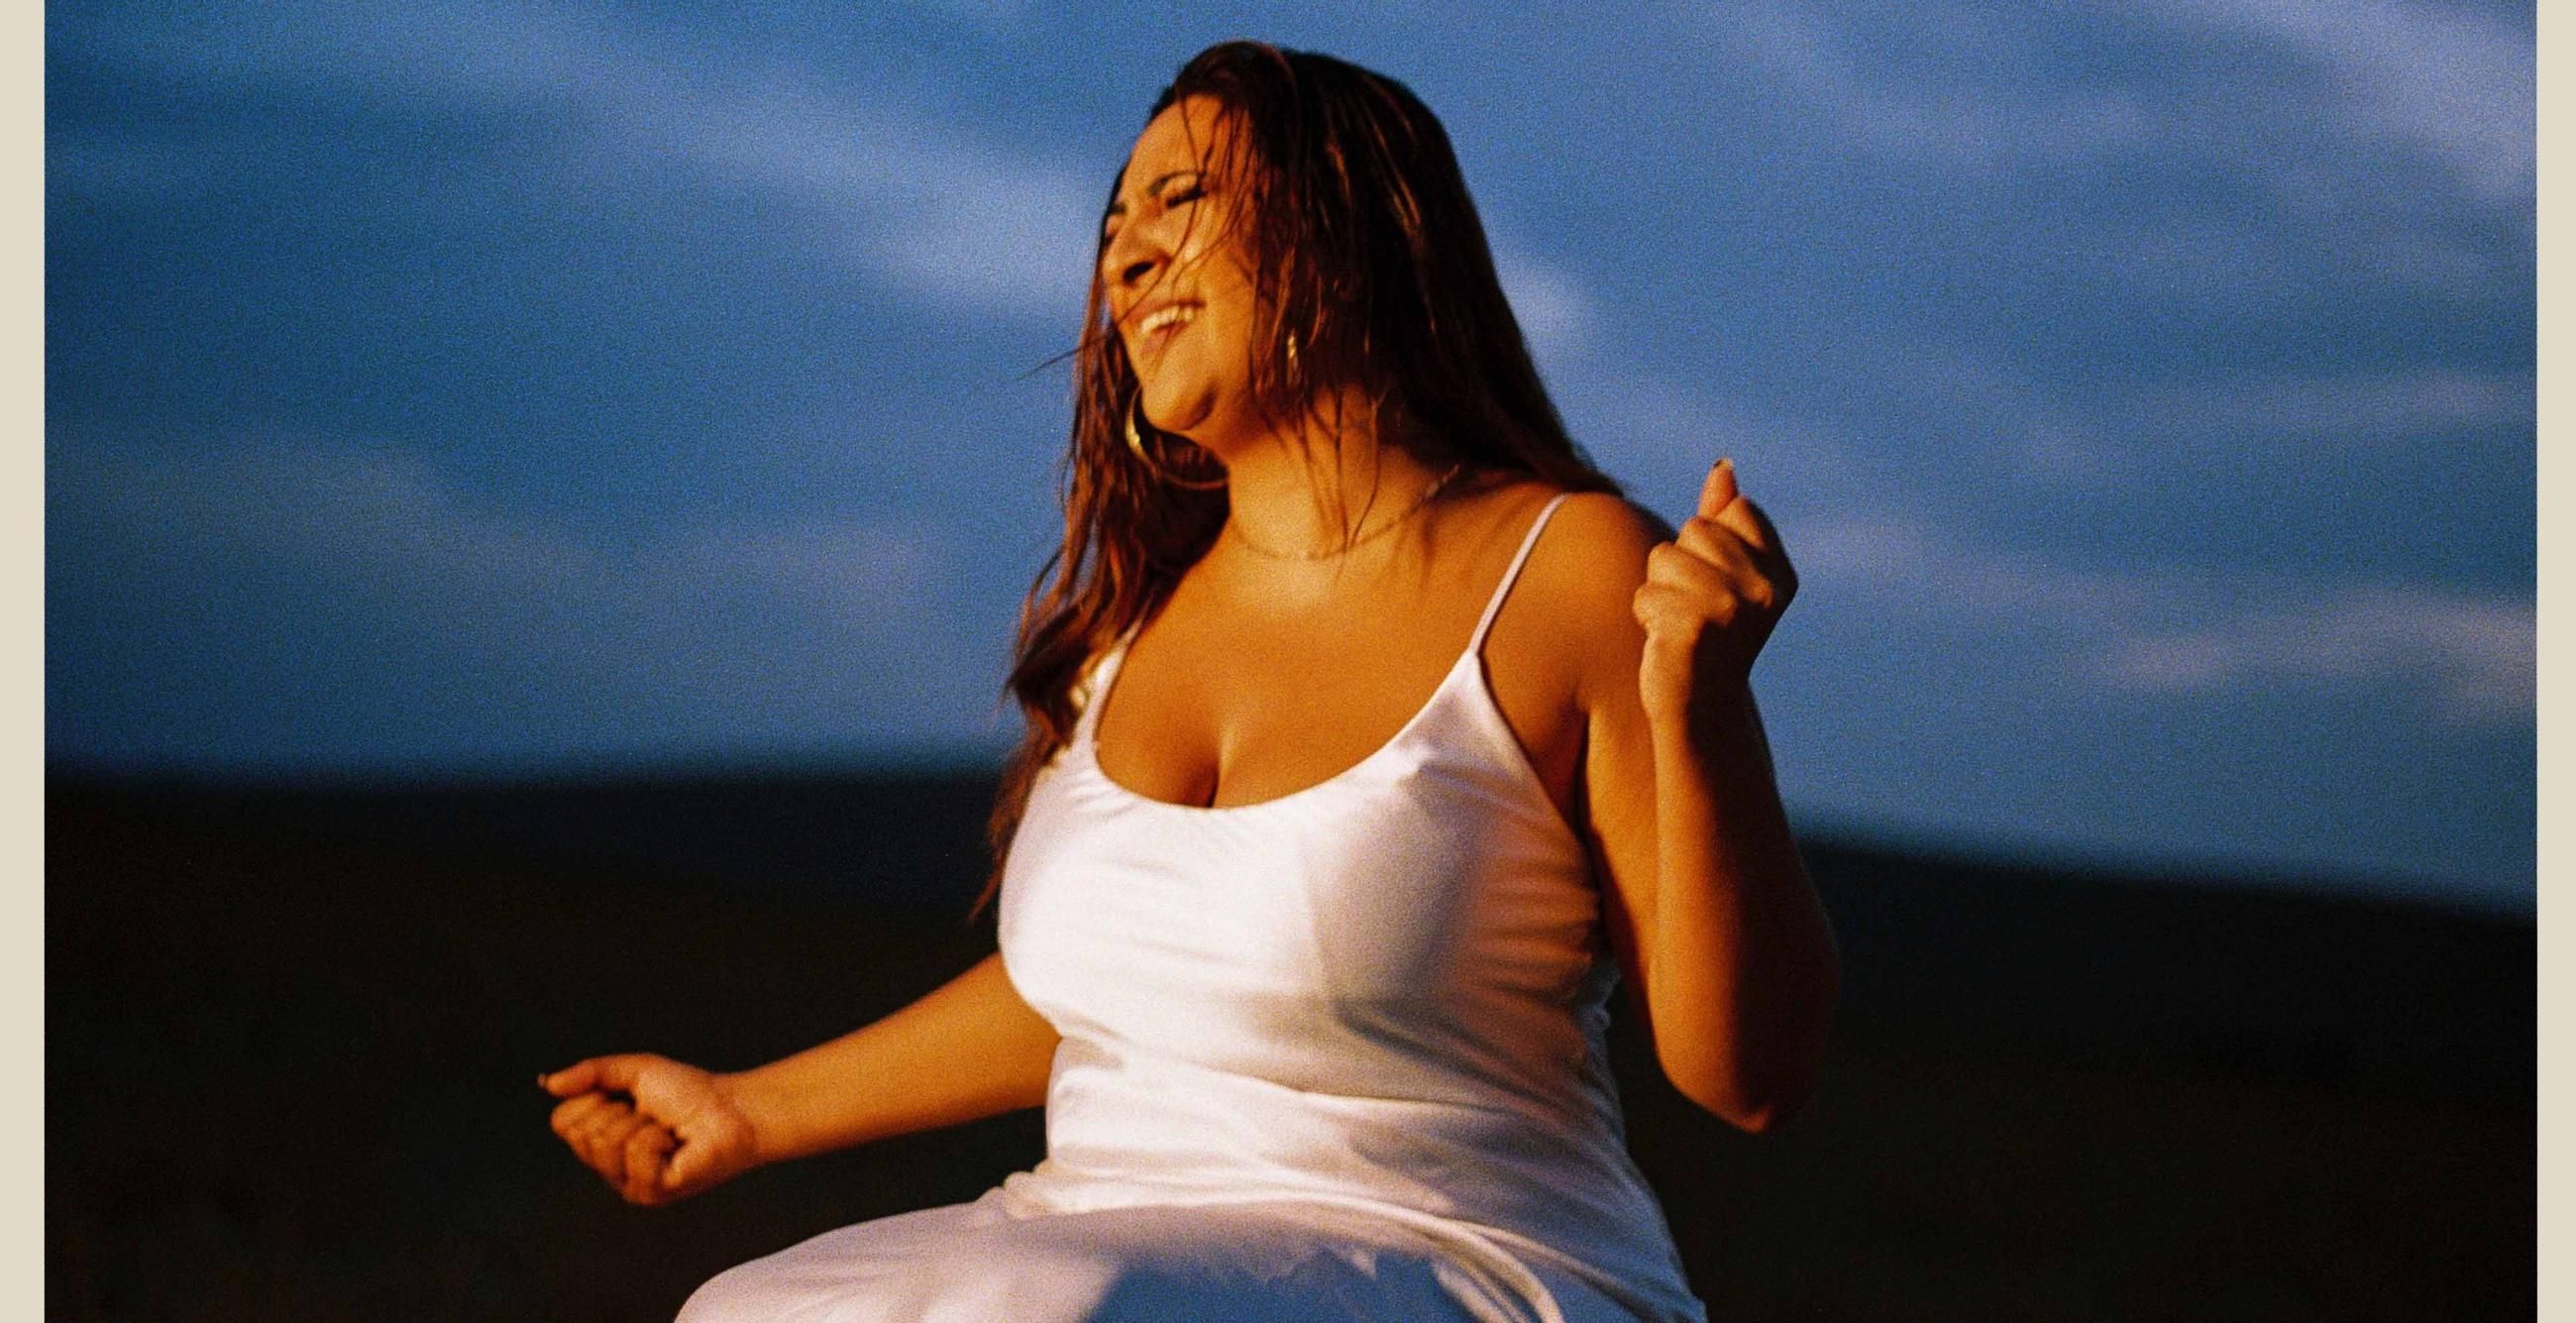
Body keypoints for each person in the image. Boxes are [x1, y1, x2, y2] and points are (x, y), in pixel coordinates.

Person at [540, 41, 1838, 1323]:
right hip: (1091, 1232)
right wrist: (750, 1110)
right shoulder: (1133, 628)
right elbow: (1123, 990)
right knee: (755, 1307)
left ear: (1349, 225)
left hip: (1456, 1255)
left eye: (1181, 199)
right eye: (1115, 226)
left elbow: (1750, 1077)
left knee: (1038, 1310)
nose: (1125, 256)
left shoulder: (1566, 569)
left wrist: (1705, 710)